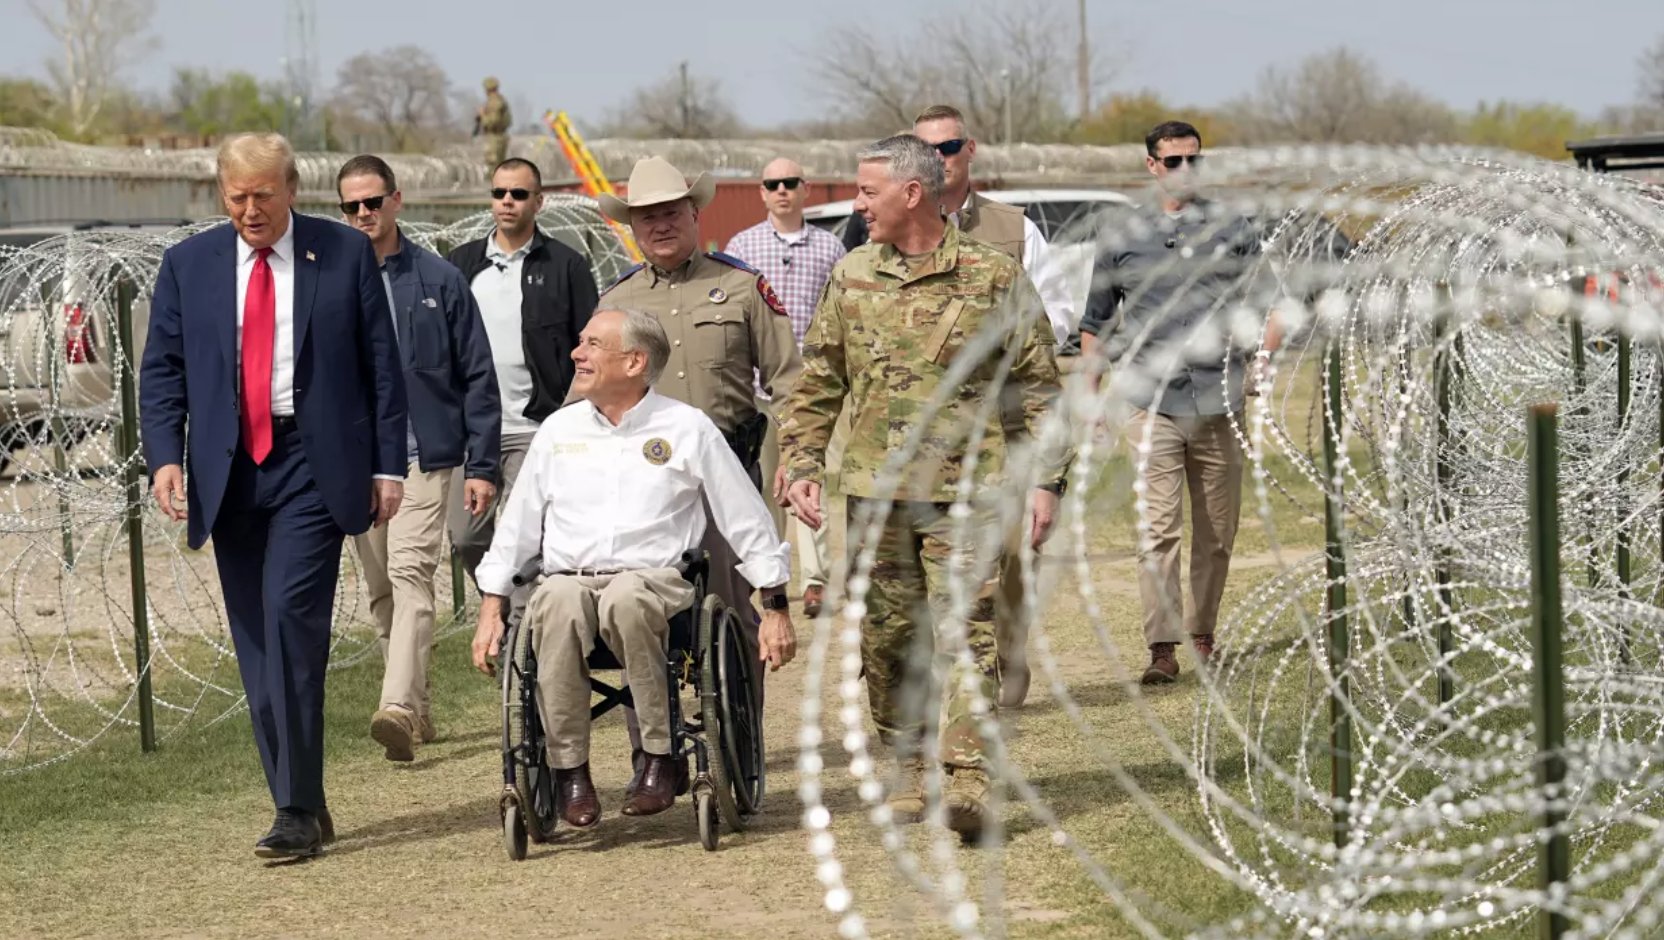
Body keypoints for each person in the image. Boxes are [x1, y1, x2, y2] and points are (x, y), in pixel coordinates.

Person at [781, 134, 1067, 839]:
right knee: (887, 640)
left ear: (912, 192)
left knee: (964, 633)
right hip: (877, 494)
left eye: (868, 191)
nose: (857, 203)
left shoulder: (992, 276)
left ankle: (967, 777)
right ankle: (907, 758)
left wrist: (1046, 481)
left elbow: (1036, 388)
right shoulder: (851, 276)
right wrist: (803, 462)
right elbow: (820, 380)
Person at [140, 132, 407, 859]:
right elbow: (162, 370)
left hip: (312, 466)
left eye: (264, 194)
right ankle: (303, 797)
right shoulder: (188, 265)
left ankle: (291, 810)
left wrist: (389, 467)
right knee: (256, 644)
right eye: (238, 197)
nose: (251, 210)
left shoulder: (343, 253)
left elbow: (382, 367)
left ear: (292, 188)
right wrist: (165, 457)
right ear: (221, 194)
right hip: (229, 471)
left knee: (292, 621)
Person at [469, 308, 795, 826]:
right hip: (570, 581)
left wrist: (774, 604)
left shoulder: (686, 427)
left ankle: (658, 758)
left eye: (593, 344)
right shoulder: (558, 430)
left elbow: (743, 515)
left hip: (655, 582)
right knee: (553, 602)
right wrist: (492, 606)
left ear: (635, 361)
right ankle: (569, 770)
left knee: (626, 598)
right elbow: (517, 528)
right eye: (580, 342)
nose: (577, 353)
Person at [839, 104, 1077, 708]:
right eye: (928, 148)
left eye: (949, 148)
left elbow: (1052, 325)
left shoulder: (1012, 233)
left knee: (993, 589)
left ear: (966, 151)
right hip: (891, 469)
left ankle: (992, 700)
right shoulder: (864, 256)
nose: (941, 158)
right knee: (900, 618)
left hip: (992, 443)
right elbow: (832, 363)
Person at [595, 155, 802, 792]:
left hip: (728, 479)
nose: (659, 225)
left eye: (669, 212)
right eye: (646, 217)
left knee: (739, 618)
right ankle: (652, 757)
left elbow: (792, 381)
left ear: (694, 214)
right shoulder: (616, 302)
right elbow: (595, 400)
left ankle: (739, 746)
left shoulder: (741, 287)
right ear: (632, 226)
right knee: (638, 618)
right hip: (647, 493)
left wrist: (796, 454)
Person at [1078, 120, 1267, 685]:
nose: (1185, 170)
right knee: (1157, 532)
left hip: (1218, 403)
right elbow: (1094, 324)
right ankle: (1162, 647)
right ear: (1151, 166)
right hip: (1148, 403)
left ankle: (1202, 632)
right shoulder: (1120, 234)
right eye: (1174, 160)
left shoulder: (1233, 229)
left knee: (1217, 533)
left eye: (1194, 160)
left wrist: (1259, 360)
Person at [336, 154, 501, 763]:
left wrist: (481, 465)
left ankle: (398, 707)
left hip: (423, 458)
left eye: (372, 203)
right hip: (358, 462)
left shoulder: (439, 281)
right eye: (350, 206)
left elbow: (477, 376)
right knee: (381, 592)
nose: (362, 215)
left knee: (411, 577)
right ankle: (418, 708)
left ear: (396, 201)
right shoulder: (329, 285)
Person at [447, 157, 599, 629]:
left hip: (537, 427)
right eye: (499, 194)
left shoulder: (566, 266)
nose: (507, 202)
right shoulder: (460, 265)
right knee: (467, 536)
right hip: (474, 431)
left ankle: (518, 642)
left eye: (518, 194)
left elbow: (589, 346)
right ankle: (505, 615)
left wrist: (576, 417)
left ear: (539, 201)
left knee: (524, 536)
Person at [722, 157, 845, 618]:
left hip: (812, 384)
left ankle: (817, 581)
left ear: (805, 189)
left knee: (810, 480)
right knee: (762, 485)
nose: (781, 190)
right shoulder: (743, 244)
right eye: (771, 184)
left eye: (789, 182)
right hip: (756, 383)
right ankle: (771, 576)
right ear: (761, 192)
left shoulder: (830, 247)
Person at [476, 77, 512, 169]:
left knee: (492, 168)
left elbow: (491, 122)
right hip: (501, 137)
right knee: (500, 167)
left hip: (494, 138)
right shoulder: (501, 99)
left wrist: (482, 115)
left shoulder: (494, 102)